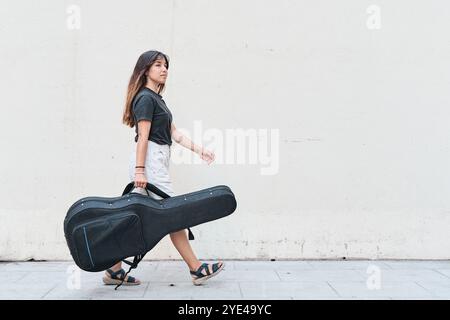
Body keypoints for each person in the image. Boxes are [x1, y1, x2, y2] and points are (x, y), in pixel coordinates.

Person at [101, 50, 224, 286]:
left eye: (166, 65)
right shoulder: (146, 98)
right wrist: (140, 170)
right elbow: (143, 137)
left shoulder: (157, 100)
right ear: (146, 69)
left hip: (155, 161)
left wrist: (200, 150)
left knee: (135, 217)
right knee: (172, 214)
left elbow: (174, 133)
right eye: (158, 65)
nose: (164, 69)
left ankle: (114, 270)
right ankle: (196, 268)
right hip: (150, 162)